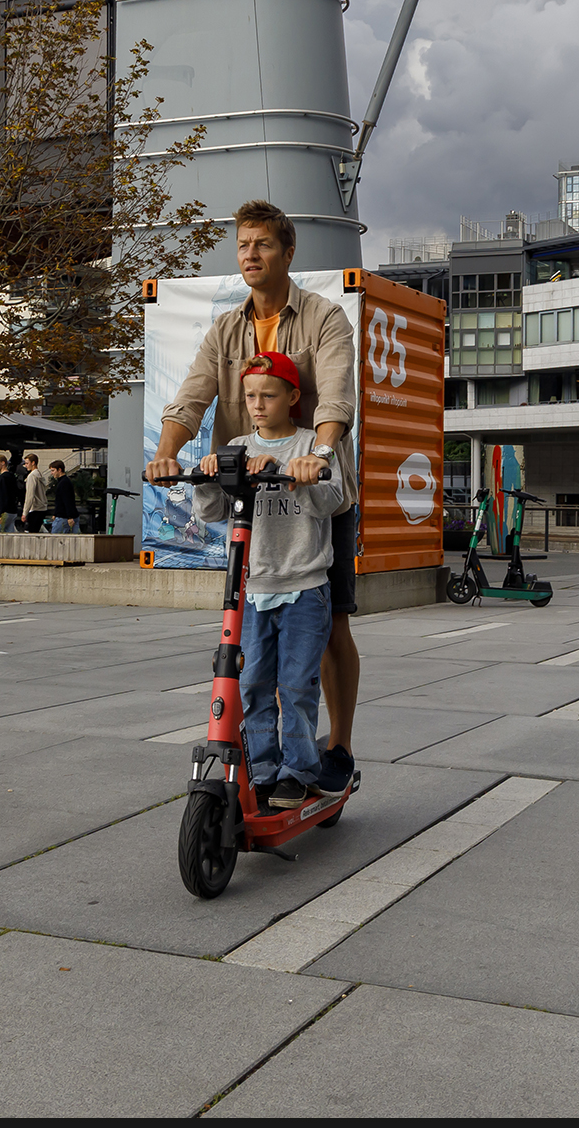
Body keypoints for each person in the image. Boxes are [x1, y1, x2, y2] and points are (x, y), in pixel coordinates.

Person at [145, 199, 359, 795]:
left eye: (262, 245)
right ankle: (262, 757)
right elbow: (191, 396)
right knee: (253, 636)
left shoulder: (323, 318)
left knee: (329, 619)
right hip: (248, 493)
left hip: (316, 486)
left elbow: (337, 393)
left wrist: (320, 453)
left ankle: (335, 744)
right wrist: (168, 453)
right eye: (242, 246)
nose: (250, 255)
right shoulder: (226, 329)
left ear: (287, 253)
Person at [192, 352, 345, 807]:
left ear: (293, 396)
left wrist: (307, 476)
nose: (258, 404)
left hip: (304, 587)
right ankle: (262, 770)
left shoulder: (309, 445)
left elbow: (332, 500)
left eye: (269, 395)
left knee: (296, 685)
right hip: (252, 591)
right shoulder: (237, 447)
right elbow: (212, 512)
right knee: (254, 683)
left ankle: (297, 770)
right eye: (251, 396)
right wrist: (207, 478)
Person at [0, 455, 21, 533]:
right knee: (9, 533)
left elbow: (3, 496)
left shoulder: (2, 478)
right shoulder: (12, 476)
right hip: (13, 511)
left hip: (5, 512)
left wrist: (1, 513)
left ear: (3, 463)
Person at [48, 460, 79, 534]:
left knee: (55, 541)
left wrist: (70, 517)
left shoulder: (63, 483)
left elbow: (67, 500)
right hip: (67, 516)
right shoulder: (65, 482)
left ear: (59, 470)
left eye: (53, 470)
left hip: (64, 517)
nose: (51, 473)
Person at [20, 453, 48, 533]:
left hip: (35, 508)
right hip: (42, 507)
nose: (25, 465)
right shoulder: (39, 474)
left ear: (33, 463)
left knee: (30, 533)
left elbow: (30, 495)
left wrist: (25, 513)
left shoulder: (31, 476)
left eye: (27, 463)